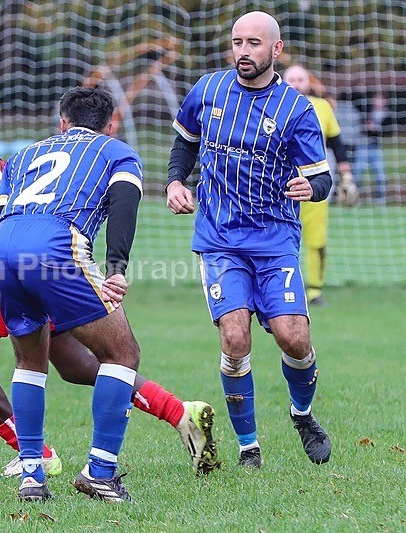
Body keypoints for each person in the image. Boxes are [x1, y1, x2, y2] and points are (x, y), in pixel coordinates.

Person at [0, 65, 219, 484]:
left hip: (4, 262)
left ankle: (37, 457)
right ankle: (180, 412)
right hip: (34, 258)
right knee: (77, 364)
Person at [0, 86, 215, 503]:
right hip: (55, 247)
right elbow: (125, 204)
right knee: (122, 353)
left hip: (4, 249)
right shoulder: (116, 152)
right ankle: (100, 472)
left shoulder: (24, 156)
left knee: (29, 360)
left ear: (62, 123)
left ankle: (32, 476)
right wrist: (117, 269)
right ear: (110, 125)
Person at [166, 11, 333, 468]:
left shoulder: (295, 109)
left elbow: (322, 178)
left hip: (275, 239)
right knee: (235, 338)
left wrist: (309, 188)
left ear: (275, 50)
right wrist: (176, 182)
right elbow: (185, 142)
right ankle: (249, 447)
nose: (243, 51)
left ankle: (302, 414)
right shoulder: (208, 90)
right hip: (219, 239)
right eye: (237, 42)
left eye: (254, 44)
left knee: (293, 337)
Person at [283, 64, 357, 306]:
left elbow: (337, 143)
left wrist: (346, 175)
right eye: (291, 79)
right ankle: (281, 287)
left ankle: (314, 291)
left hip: (315, 181)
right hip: (278, 183)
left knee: (316, 237)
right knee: (280, 237)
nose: (296, 83)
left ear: (308, 82)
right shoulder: (272, 105)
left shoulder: (323, 107)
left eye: (300, 79)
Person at [356, 93, 392, 204]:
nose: (378, 102)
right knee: (357, 173)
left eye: (380, 100)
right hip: (363, 146)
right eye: (376, 99)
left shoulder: (388, 115)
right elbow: (361, 126)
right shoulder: (367, 111)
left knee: (379, 175)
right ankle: (354, 198)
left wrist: (376, 129)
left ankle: (380, 200)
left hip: (376, 147)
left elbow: (389, 131)